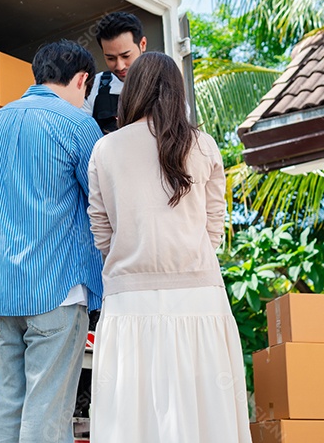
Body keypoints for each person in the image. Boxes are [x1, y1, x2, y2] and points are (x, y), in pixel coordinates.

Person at [86, 52, 250, 443]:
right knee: (204, 411)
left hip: (130, 302)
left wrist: (132, 258)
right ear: (177, 91)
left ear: (133, 92)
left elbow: (101, 230)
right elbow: (214, 225)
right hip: (199, 298)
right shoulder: (204, 145)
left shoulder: (106, 149)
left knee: (132, 416)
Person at [0, 39, 105, 443]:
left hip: (4, 293)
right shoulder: (79, 125)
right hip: (58, 290)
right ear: (82, 80)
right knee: (47, 413)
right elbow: (101, 204)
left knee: (5, 406)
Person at [81, 11, 147, 133]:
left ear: (142, 44)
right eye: (111, 58)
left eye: (126, 56)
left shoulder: (165, 85)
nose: (120, 66)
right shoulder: (93, 86)